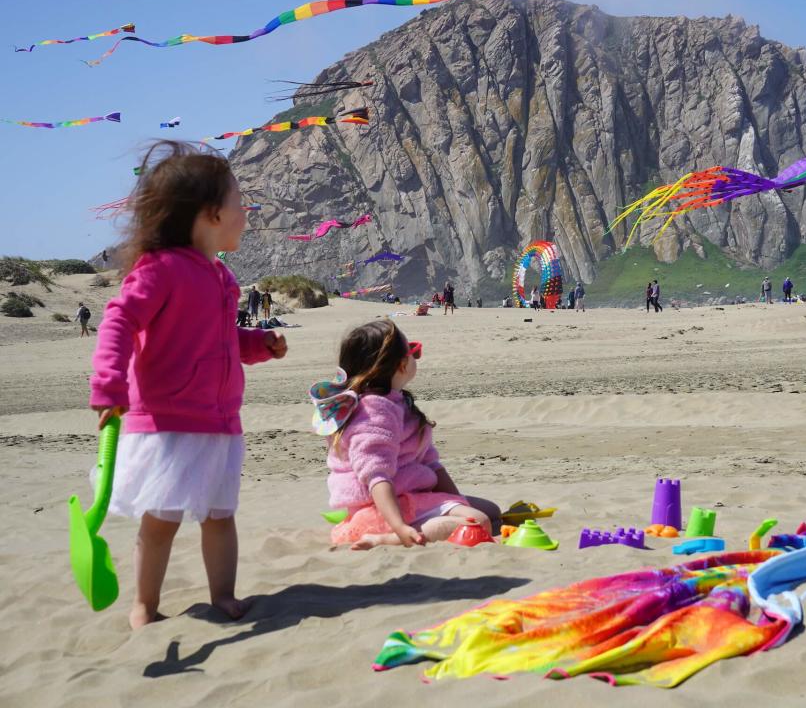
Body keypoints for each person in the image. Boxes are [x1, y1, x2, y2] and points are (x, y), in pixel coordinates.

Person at [88, 142, 288, 628]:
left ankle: (223, 595)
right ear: (209, 213)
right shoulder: (161, 270)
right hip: (167, 422)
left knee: (220, 515)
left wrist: (258, 344)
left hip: (219, 421)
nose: (247, 212)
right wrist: (109, 386)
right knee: (161, 521)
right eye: (241, 203)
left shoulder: (219, 275)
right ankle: (144, 605)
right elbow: (118, 321)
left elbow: (216, 339)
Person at [317, 319, 500, 548]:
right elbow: (376, 475)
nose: (416, 356)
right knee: (478, 522)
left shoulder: (396, 402)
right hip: (383, 506)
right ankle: (388, 539)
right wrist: (399, 527)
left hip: (411, 495)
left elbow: (430, 462)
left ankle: (424, 523)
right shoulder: (374, 410)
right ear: (402, 365)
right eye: (414, 351)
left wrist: (457, 501)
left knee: (491, 512)